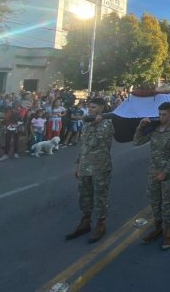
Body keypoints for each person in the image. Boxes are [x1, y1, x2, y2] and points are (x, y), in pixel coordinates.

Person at [133, 102, 170, 248]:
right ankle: (158, 228)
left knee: (167, 203)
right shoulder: (154, 129)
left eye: (164, 114)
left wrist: (165, 172)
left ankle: (168, 231)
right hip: (153, 172)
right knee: (155, 202)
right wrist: (141, 127)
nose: (161, 117)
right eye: (160, 114)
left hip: (168, 174)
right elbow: (137, 142)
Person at [66, 98, 114, 244]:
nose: (90, 109)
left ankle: (101, 224)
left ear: (101, 108)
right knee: (84, 196)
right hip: (85, 166)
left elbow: (95, 142)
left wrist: (95, 124)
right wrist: (77, 164)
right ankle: (85, 222)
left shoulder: (106, 124)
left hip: (100, 166)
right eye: (89, 107)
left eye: (93, 107)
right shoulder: (88, 123)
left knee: (100, 196)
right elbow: (84, 145)